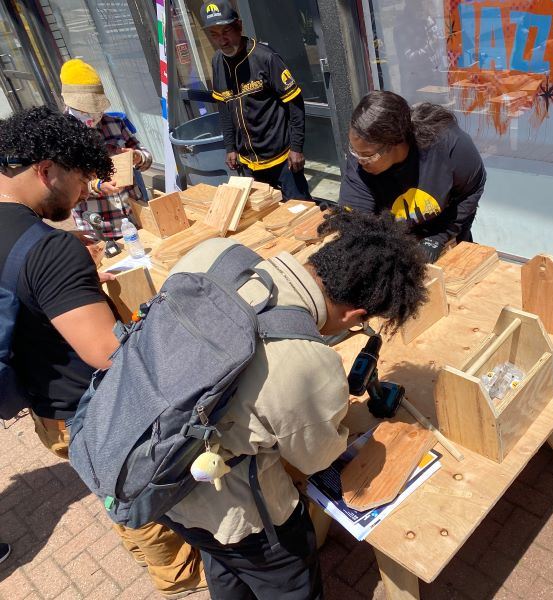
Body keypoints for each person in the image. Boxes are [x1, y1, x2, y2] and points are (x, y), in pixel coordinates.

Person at [160, 209, 429, 599]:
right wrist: (332, 408)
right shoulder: (309, 364)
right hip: (241, 516)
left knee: (222, 566)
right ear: (355, 314)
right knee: (285, 579)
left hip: (161, 468)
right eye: (354, 325)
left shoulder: (215, 254)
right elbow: (316, 459)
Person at [0, 107, 205, 599]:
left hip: (39, 401)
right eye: (81, 179)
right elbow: (109, 354)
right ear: (47, 169)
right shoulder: (50, 250)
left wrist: (75, 293)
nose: (86, 193)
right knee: (131, 490)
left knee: (103, 483)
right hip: (87, 409)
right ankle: (177, 574)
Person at [340, 91, 487, 263]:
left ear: (395, 142)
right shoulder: (360, 163)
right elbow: (356, 227)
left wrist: (439, 237)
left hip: (446, 237)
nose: (359, 161)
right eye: (354, 151)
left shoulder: (448, 145)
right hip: (392, 246)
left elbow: (472, 188)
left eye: (367, 155)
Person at [201, 0, 312, 200]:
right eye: (214, 34)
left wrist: (296, 147)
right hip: (249, 163)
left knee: (300, 211)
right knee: (264, 215)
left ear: (239, 26)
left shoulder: (265, 57)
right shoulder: (217, 61)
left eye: (226, 31)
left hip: (282, 158)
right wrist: (230, 147)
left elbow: (295, 104)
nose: (222, 40)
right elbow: (224, 109)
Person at [60, 58, 153, 240]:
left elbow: (147, 157)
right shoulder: (59, 135)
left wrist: (137, 157)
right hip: (100, 227)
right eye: (85, 109)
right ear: (69, 103)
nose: (92, 114)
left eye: (96, 108)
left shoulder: (115, 123)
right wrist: (97, 186)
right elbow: (63, 187)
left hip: (136, 216)